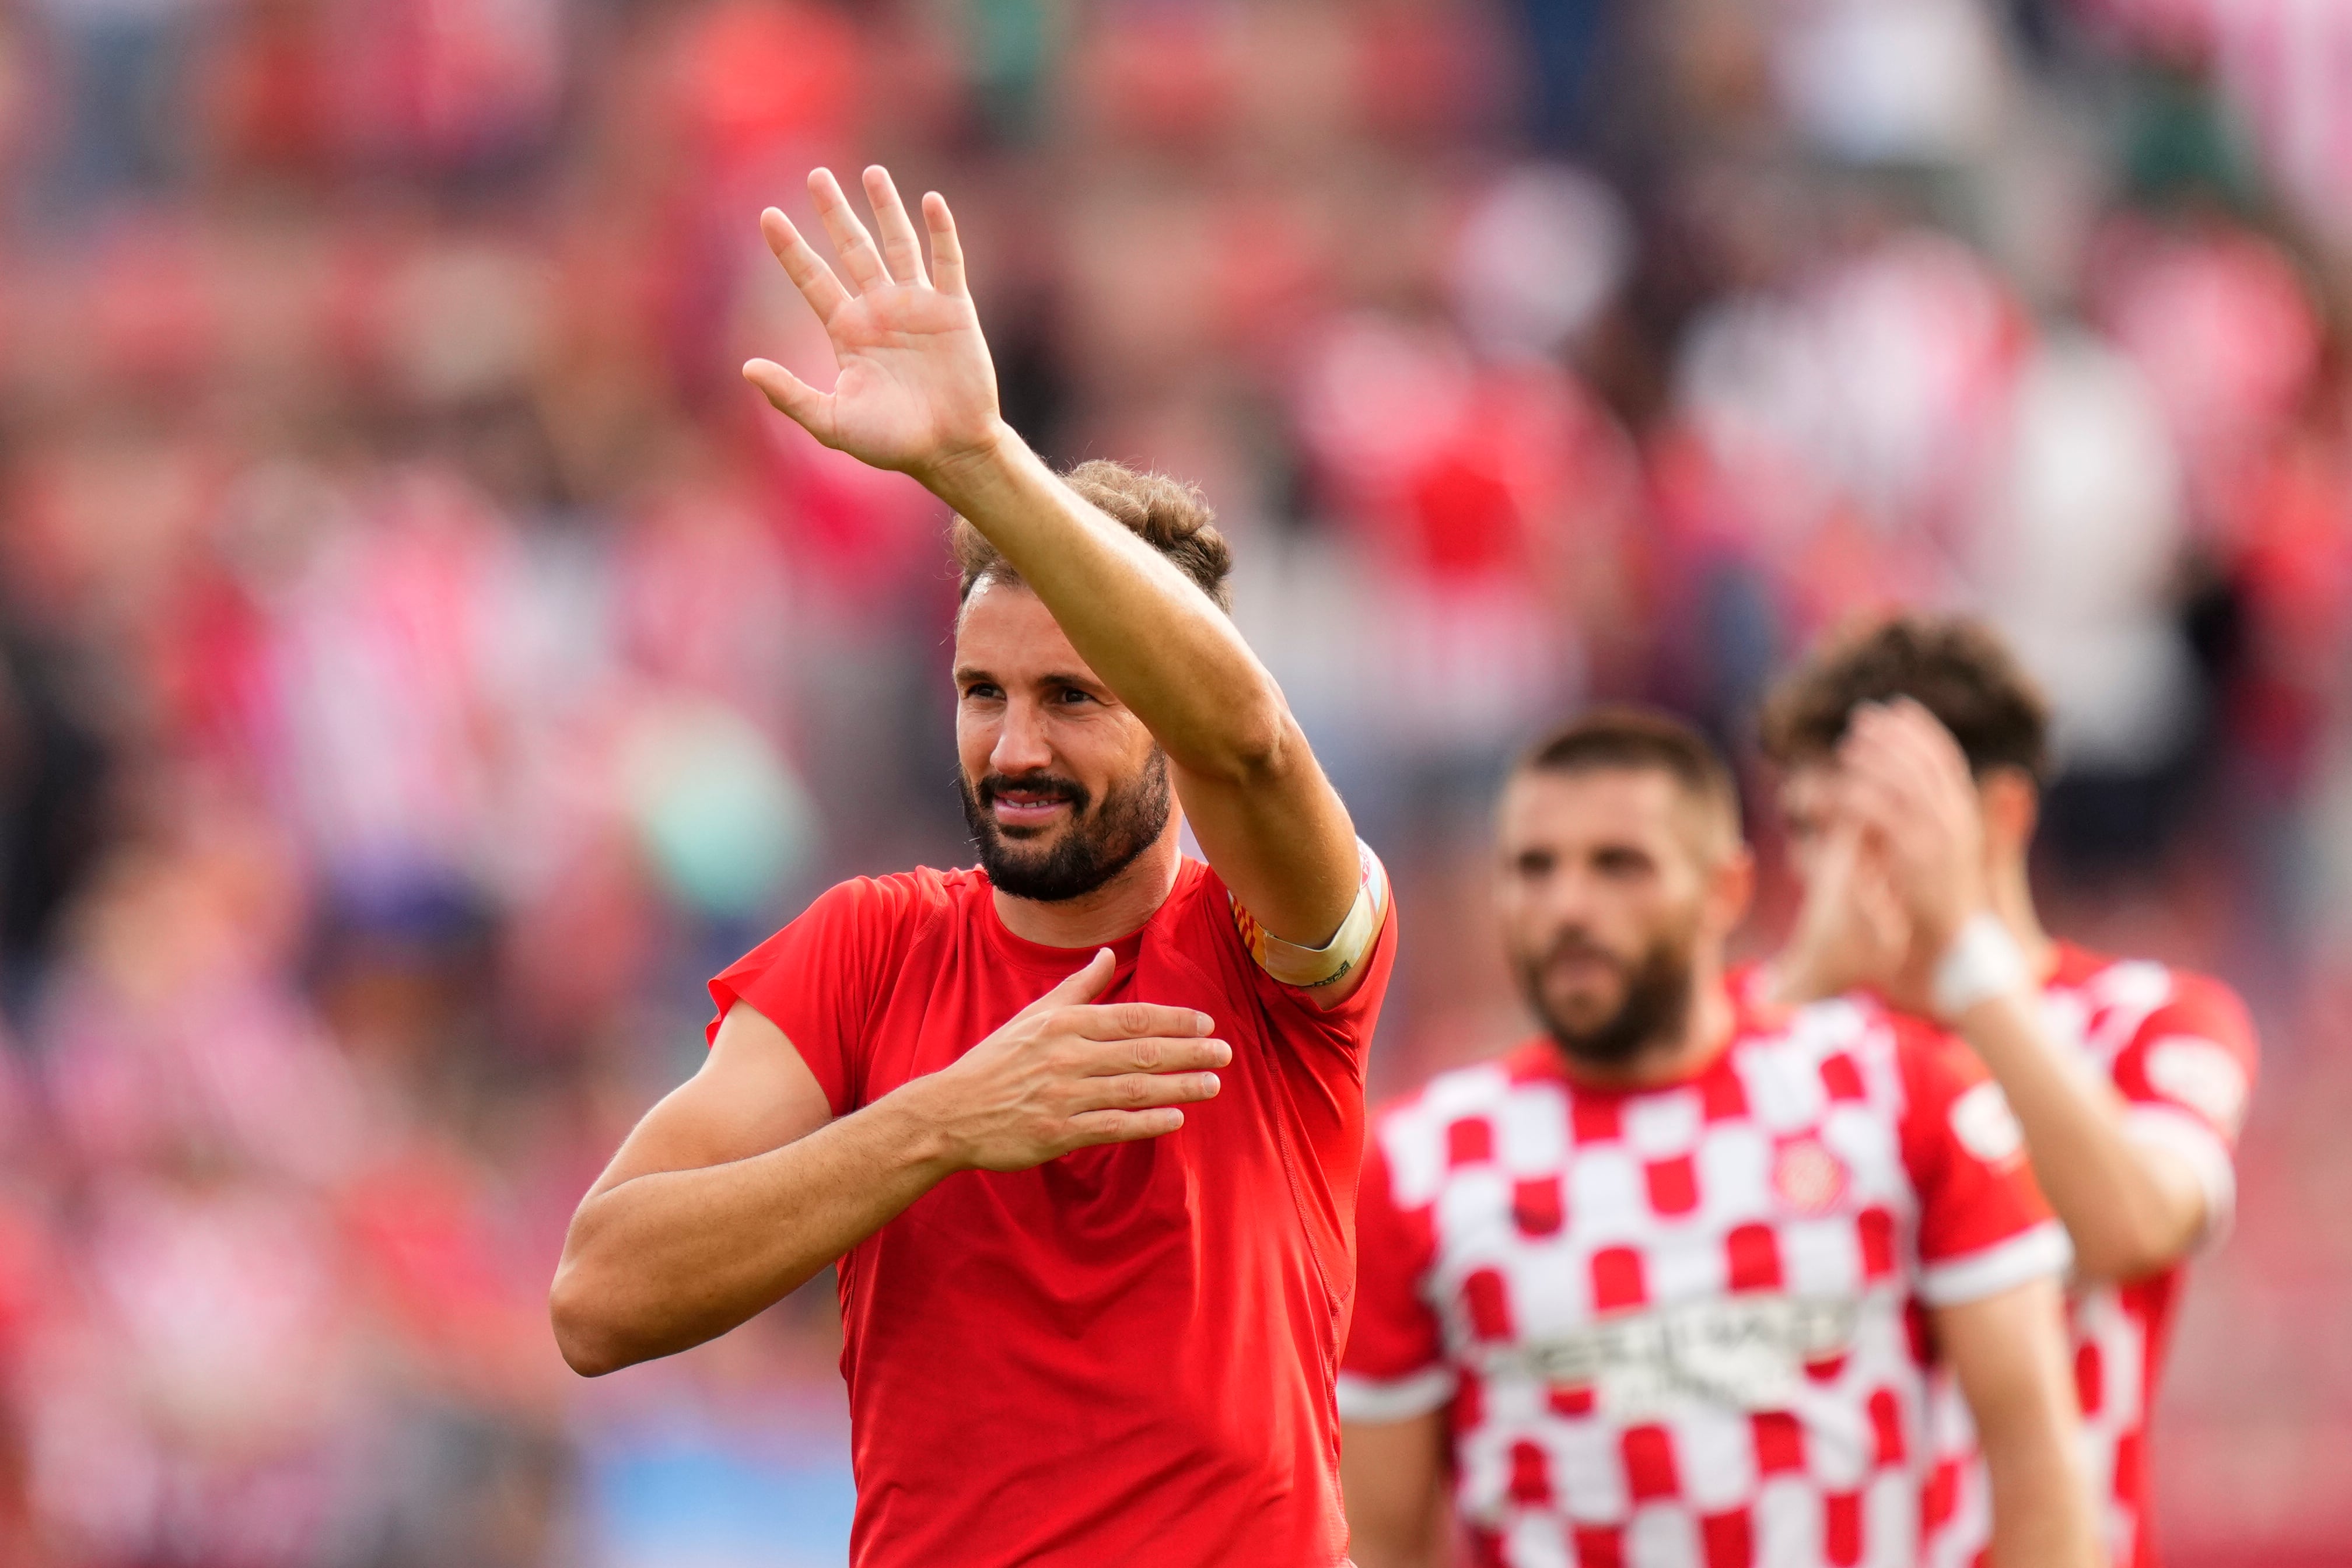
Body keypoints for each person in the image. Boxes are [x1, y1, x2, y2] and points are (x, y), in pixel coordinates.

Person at [549, 166, 1398, 1568]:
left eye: (1073, 698)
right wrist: (936, 1124)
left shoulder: (1275, 949)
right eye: (980, 692)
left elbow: (1247, 744)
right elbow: (597, 1298)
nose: (1014, 748)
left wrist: (978, 460)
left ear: (1161, 715)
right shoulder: (870, 948)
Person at [1340, 709, 2098, 1568]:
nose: (1570, 906)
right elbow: (1379, 1540)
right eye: (1533, 868)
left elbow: (2040, 1461)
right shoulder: (1418, 1163)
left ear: (1727, 891)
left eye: (1619, 865)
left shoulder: (1899, 1092)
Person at [1755, 616, 2259, 1568]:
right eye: (1807, 832)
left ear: (2005, 816)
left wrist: (1963, 968)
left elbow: (2137, 1227)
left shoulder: (2145, 1018)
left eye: (1875, 828)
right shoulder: (1772, 1026)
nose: (1828, 872)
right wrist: (1806, 988)